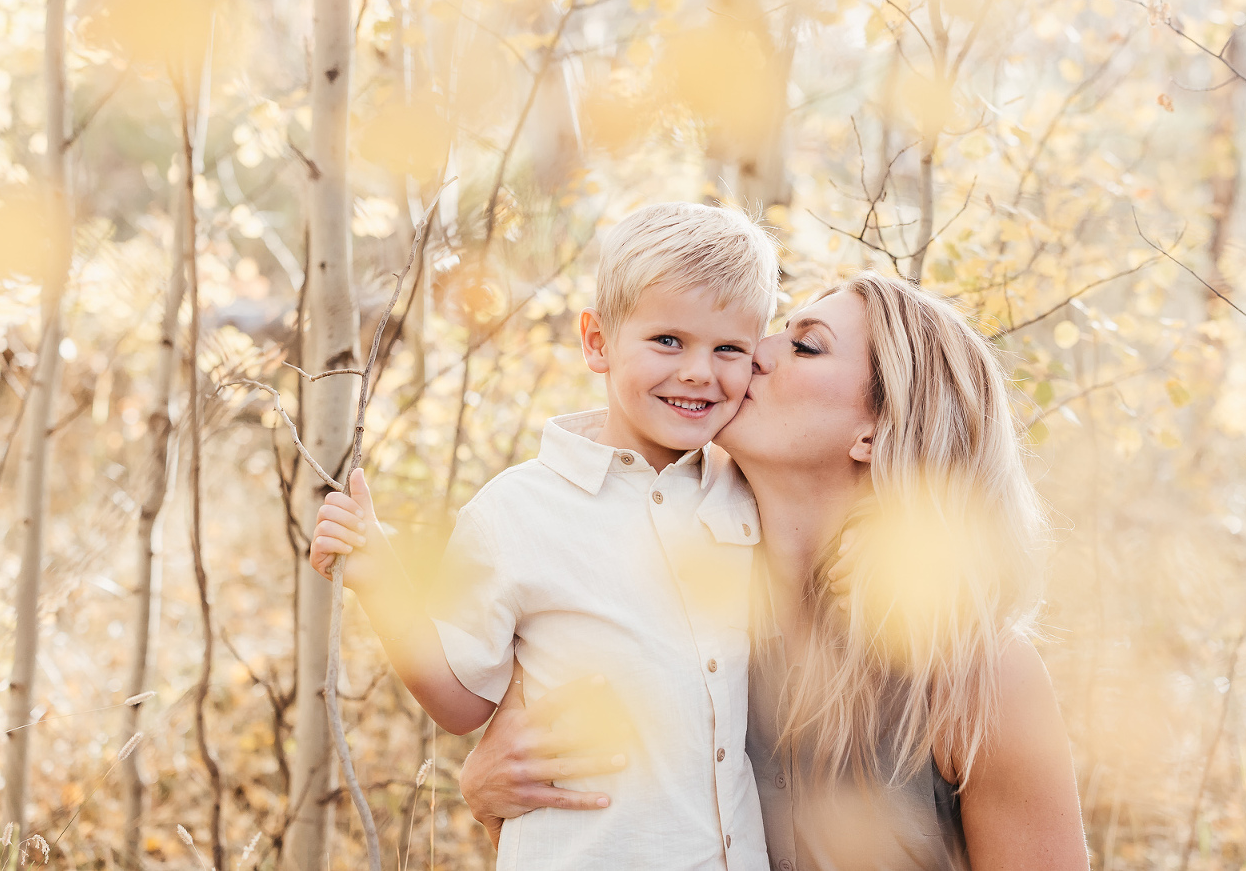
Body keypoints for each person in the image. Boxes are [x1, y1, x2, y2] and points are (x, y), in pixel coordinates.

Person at [462, 272, 1090, 870]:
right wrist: (487, 786)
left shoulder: (976, 675)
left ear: (875, 432)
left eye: (806, 346)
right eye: (776, 332)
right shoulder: (651, 608)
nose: (754, 354)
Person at [308, 202, 779, 870]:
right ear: (597, 342)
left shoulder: (743, 489)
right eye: (668, 341)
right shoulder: (517, 511)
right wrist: (383, 583)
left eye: (728, 348)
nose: (700, 371)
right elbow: (463, 701)